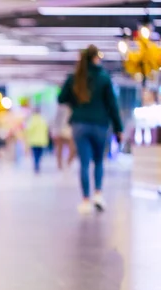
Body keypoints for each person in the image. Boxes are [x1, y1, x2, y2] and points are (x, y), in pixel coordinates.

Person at [58, 45, 123, 214]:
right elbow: (112, 105)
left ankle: (85, 200)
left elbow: (61, 97)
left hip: (79, 124)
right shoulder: (104, 78)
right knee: (99, 161)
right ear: (96, 58)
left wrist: (76, 104)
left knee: (84, 163)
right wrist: (118, 128)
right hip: (100, 124)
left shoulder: (74, 77)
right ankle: (98, 194)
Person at [25, 108, 50, 174]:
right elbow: (46, 129)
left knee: (35, 154)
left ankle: (36, 165)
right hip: (42, 140)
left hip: (34, 140)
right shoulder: (43, 119)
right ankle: (38, 164)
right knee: (39, 154)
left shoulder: (32, 120)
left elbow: (29, 130)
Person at [52, 104, 77, 170]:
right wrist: (55, 131)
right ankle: (60, 165)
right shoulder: (61, 107)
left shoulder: (75, 106)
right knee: (59, 149)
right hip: (61, 130)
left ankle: (67, 164)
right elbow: (56, 119)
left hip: (71, 130)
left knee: (73, 149)